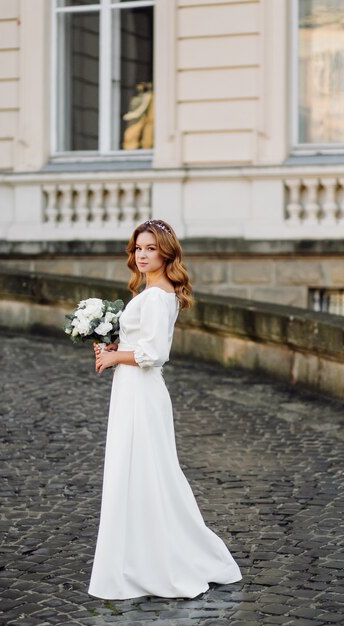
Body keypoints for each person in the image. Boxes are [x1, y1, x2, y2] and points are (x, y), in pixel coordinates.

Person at [88, 219, 242, 600]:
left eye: (150, 249)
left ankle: (161, 562)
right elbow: (138, 346)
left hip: (142, 391)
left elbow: (154, 353)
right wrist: (111, 351)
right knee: (137, 471)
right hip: (132, 389)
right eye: (138, 248)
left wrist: (113, 357)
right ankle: (138, 556)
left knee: (148, 471)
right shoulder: (154, 291)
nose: (142, 255)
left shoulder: (158, 296)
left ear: (166, 253)